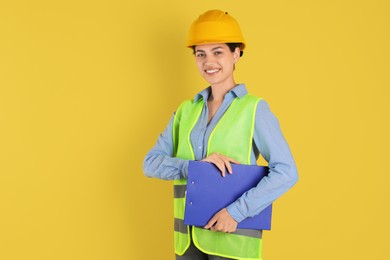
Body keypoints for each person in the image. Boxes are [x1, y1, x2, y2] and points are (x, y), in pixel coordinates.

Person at [143, 9, 298, 260]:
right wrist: (193, 167)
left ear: (236, 54)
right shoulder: (186, 111)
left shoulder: (254, 109)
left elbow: (286, 171)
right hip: (187, 242)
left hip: (232, 241)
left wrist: (236, 212)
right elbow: (150, 164)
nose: (208, 62)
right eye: (200, 54)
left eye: (218, 52)